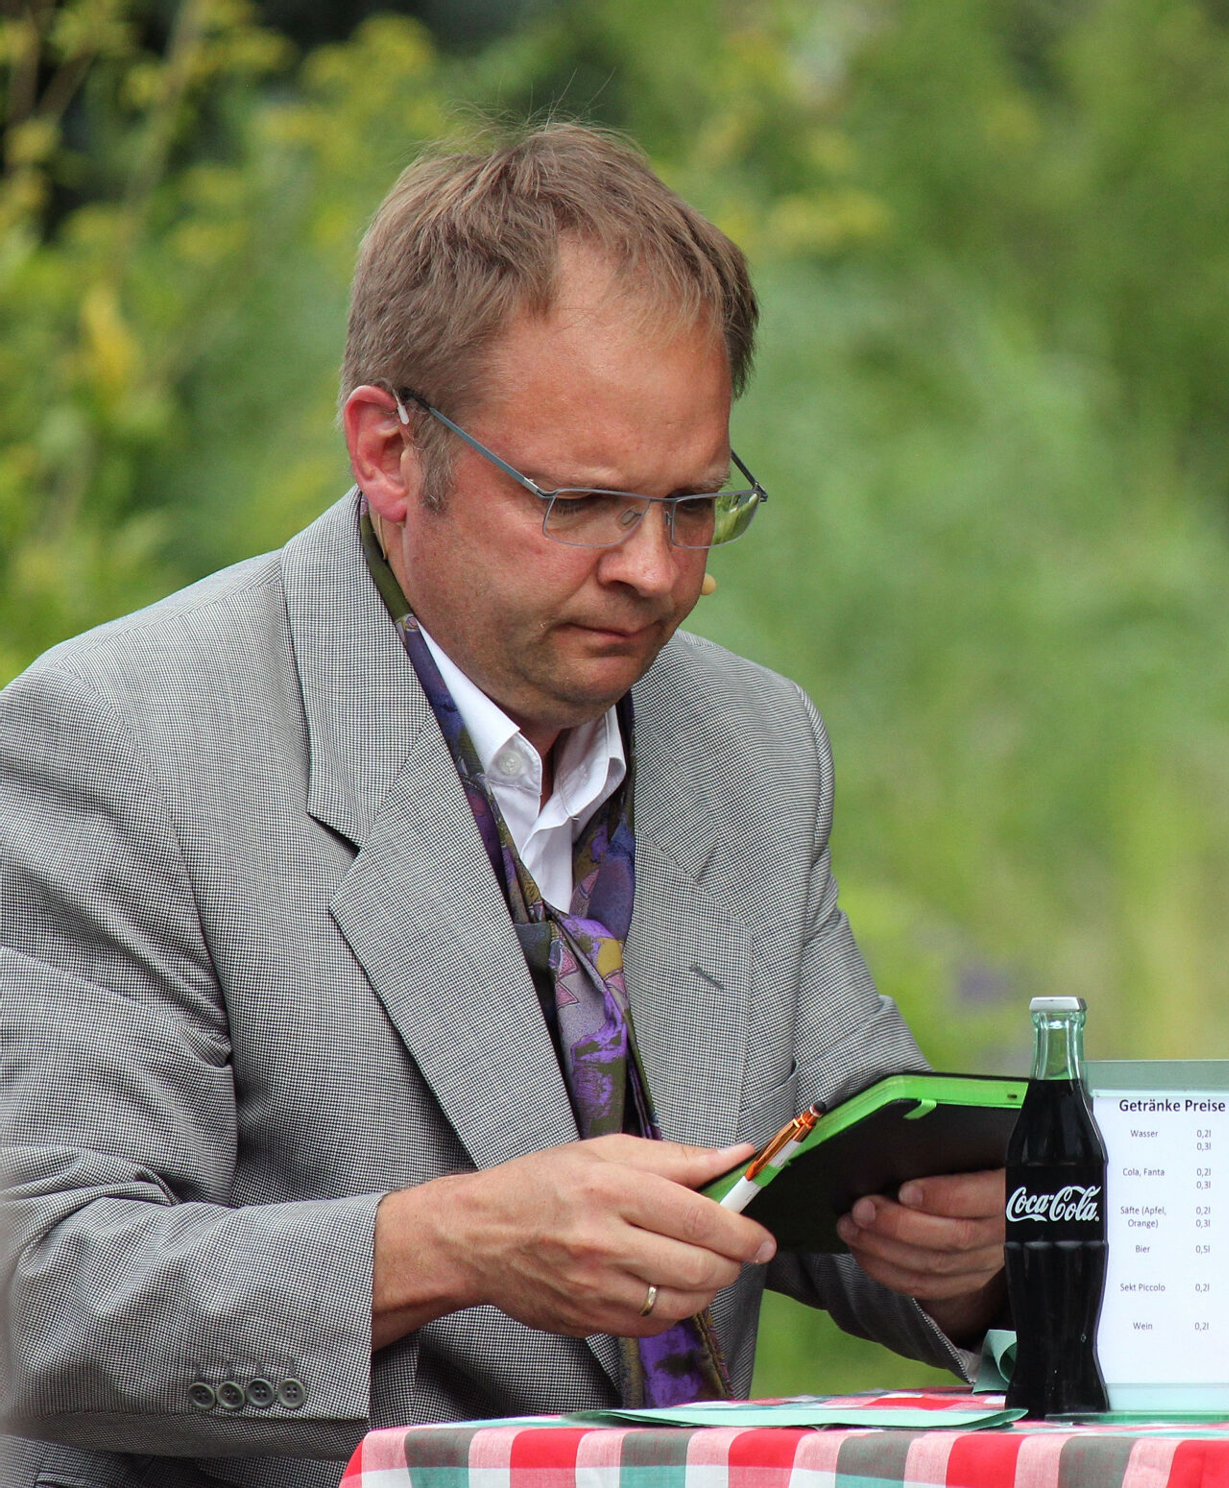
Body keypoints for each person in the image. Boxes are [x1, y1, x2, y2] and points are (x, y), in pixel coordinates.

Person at [0, 125, 1005, 1488]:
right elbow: (46, 1297)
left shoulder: (756, 743)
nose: (655, 571)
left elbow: (849, 1161)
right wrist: (451, 1245)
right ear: (389, 451)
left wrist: (966, 1253)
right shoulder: (127, 738)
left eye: (697, 504)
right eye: (581, 502)